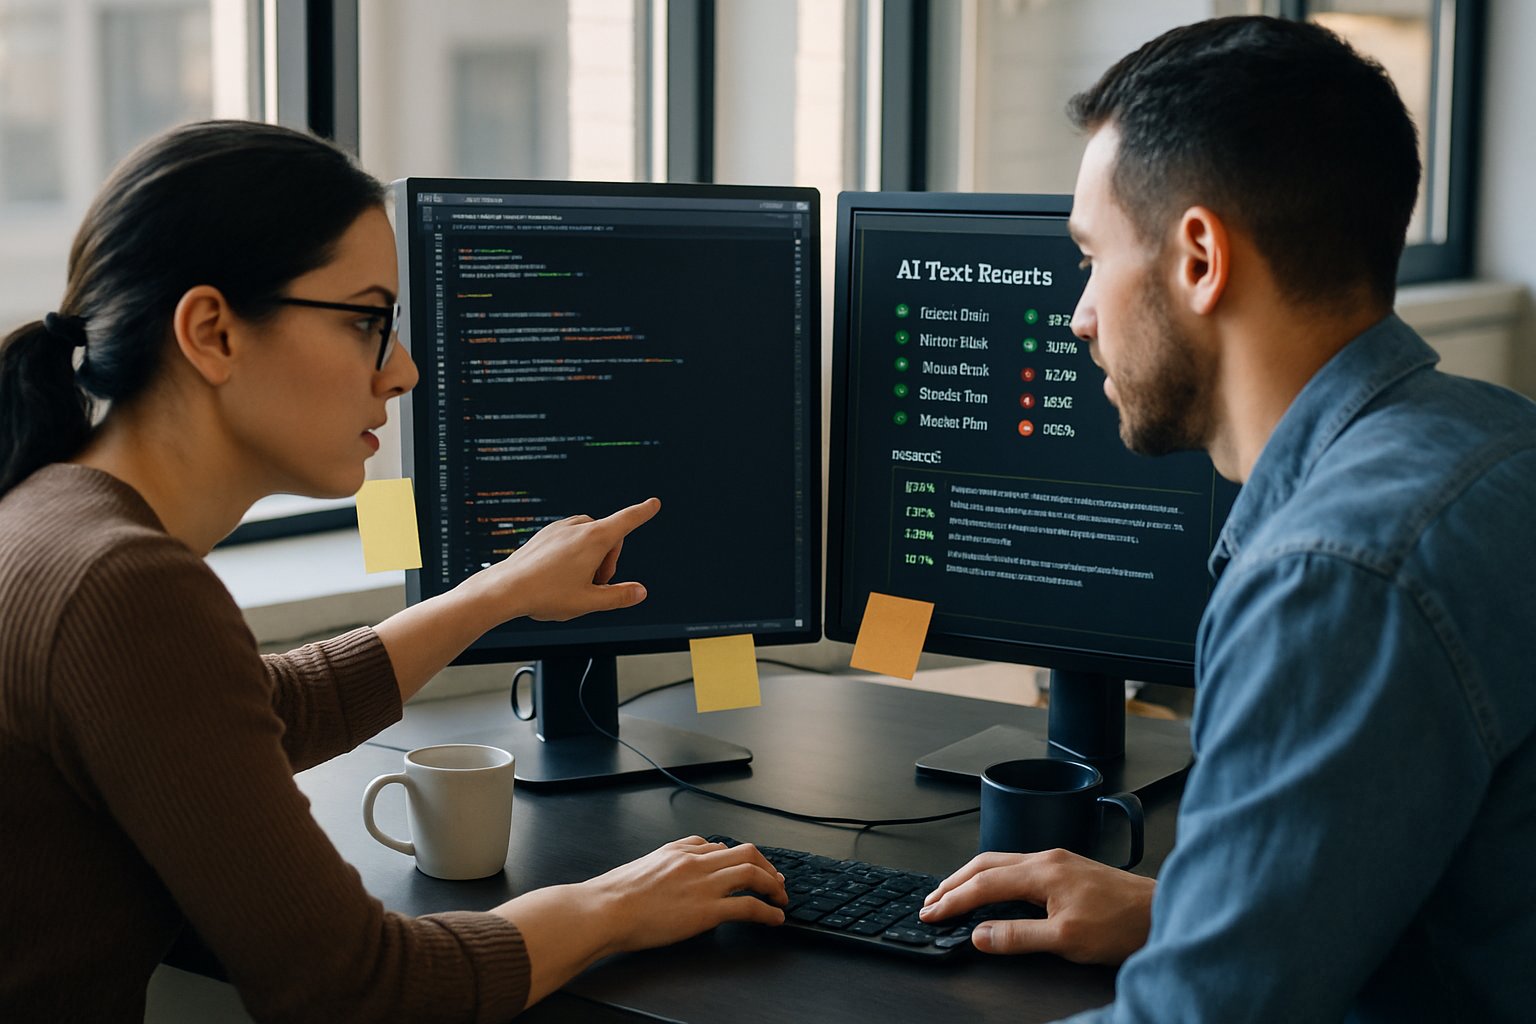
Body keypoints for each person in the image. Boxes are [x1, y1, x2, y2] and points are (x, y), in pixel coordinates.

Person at [0, 120, 786, 1023]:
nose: (403, 371)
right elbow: (359, 990)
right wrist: (614, 906)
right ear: (212, 332)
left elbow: (247, 714)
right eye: (369, 322)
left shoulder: (53, 521)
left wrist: (498, 593)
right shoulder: (121, 584)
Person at [917, 15, 1536, 1023]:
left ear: (1199, 257)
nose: (1078, 315)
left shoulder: (1335, 576)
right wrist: (1183, 912)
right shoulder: (1498, 438)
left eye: (1091, 256)